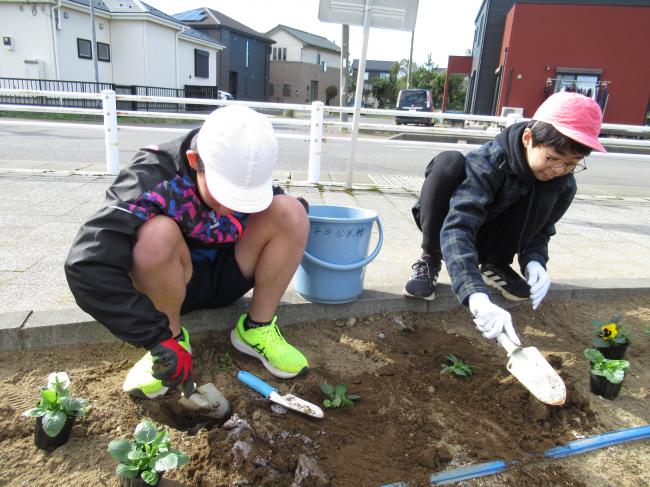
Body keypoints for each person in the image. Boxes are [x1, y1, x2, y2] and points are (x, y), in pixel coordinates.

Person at [65, 105, 310, 400]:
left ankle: (256, 329)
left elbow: (279, 225)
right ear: (195, 162)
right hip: (173, 284)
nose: (233, 208)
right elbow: (87, 265)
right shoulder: (151, 176)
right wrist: (155, 337)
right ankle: (173, 340)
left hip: (230, 274)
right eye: (225, 194)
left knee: (291, 212)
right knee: (155, 235)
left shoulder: (244, 164)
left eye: (244, 198)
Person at [403, 92, 606, 345]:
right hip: (451, 227)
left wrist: (535, 261)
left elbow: (542, 229)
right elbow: (459, 225)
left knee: (548, 191)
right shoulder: (489, 161)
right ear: (528, 137)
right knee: (448, 163)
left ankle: (496, 264)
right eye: (552, 158)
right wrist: (475, 295)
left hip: (493, 238)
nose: (558, 170)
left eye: (571, 163)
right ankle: (430, 257)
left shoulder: (563, 183)